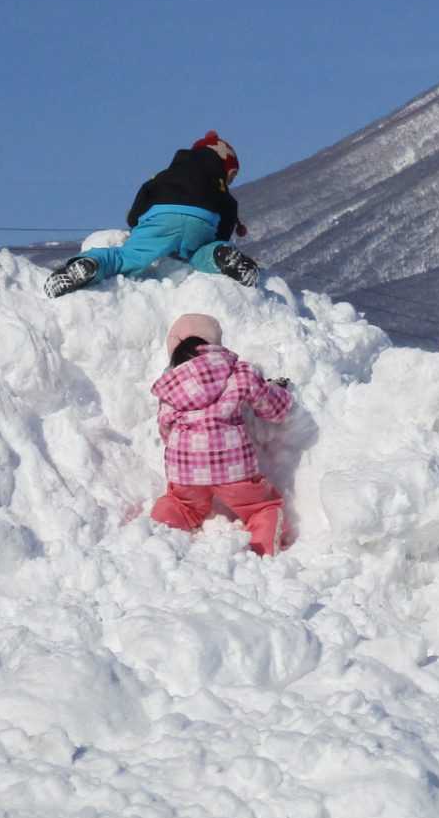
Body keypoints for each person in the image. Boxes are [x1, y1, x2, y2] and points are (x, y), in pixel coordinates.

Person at [46, 132, 260, 297]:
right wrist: (219, 242)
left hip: (161, 218)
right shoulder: (218, 185)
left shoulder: (165, 175)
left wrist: (135, 223)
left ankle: (90, 264)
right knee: (200, 254)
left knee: (127, 257)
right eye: (231, 176)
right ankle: (220, 256)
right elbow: (229, 212)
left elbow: (144, 195)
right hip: (203, 220)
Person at [148, 314, 293, 556]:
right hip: (233, 468)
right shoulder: (238, 371)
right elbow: (271, 407)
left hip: (185, 468)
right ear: (213, 343)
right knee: (261, 507)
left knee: (180, 504)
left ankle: (156, 536)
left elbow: (165, 426)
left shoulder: (169, 386)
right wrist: (281, 394)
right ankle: (263, 550)